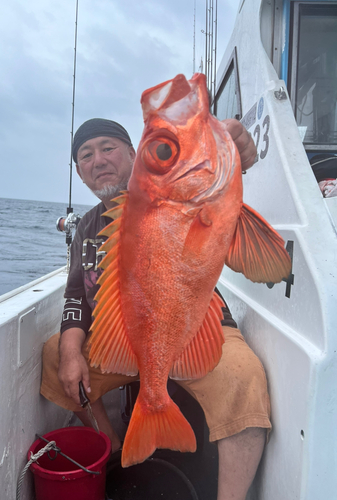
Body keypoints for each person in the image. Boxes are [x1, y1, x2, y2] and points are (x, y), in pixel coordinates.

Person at [41, 117, 271, 500]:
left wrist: (229, 148)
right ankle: (116, 453)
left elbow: (205, 181)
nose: (98, 160)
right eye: (85, 155)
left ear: (135, 155)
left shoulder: (171, 196)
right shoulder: (87, 228)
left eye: (108, 147)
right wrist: (69, 352)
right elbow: (77, 295)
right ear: (79, 174)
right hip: (128, 340)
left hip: (196, 330)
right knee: (55, 356)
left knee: (244, 378)